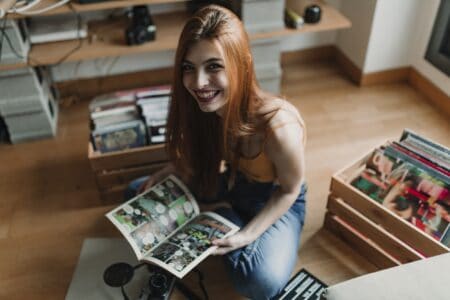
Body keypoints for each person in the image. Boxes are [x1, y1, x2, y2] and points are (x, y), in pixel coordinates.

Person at [125, 5, 307, 299]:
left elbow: (289, 190)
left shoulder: (280, 129)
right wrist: (170, 171)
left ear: (242, 65)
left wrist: (247, 235)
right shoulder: (205, 109)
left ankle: (225, 220)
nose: (198, 83)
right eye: (189, 67)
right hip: (232, 182)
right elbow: (202, 159)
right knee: (137, 193)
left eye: (214, 66)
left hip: (275, 197)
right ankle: (221, 216)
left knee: (260, 282)